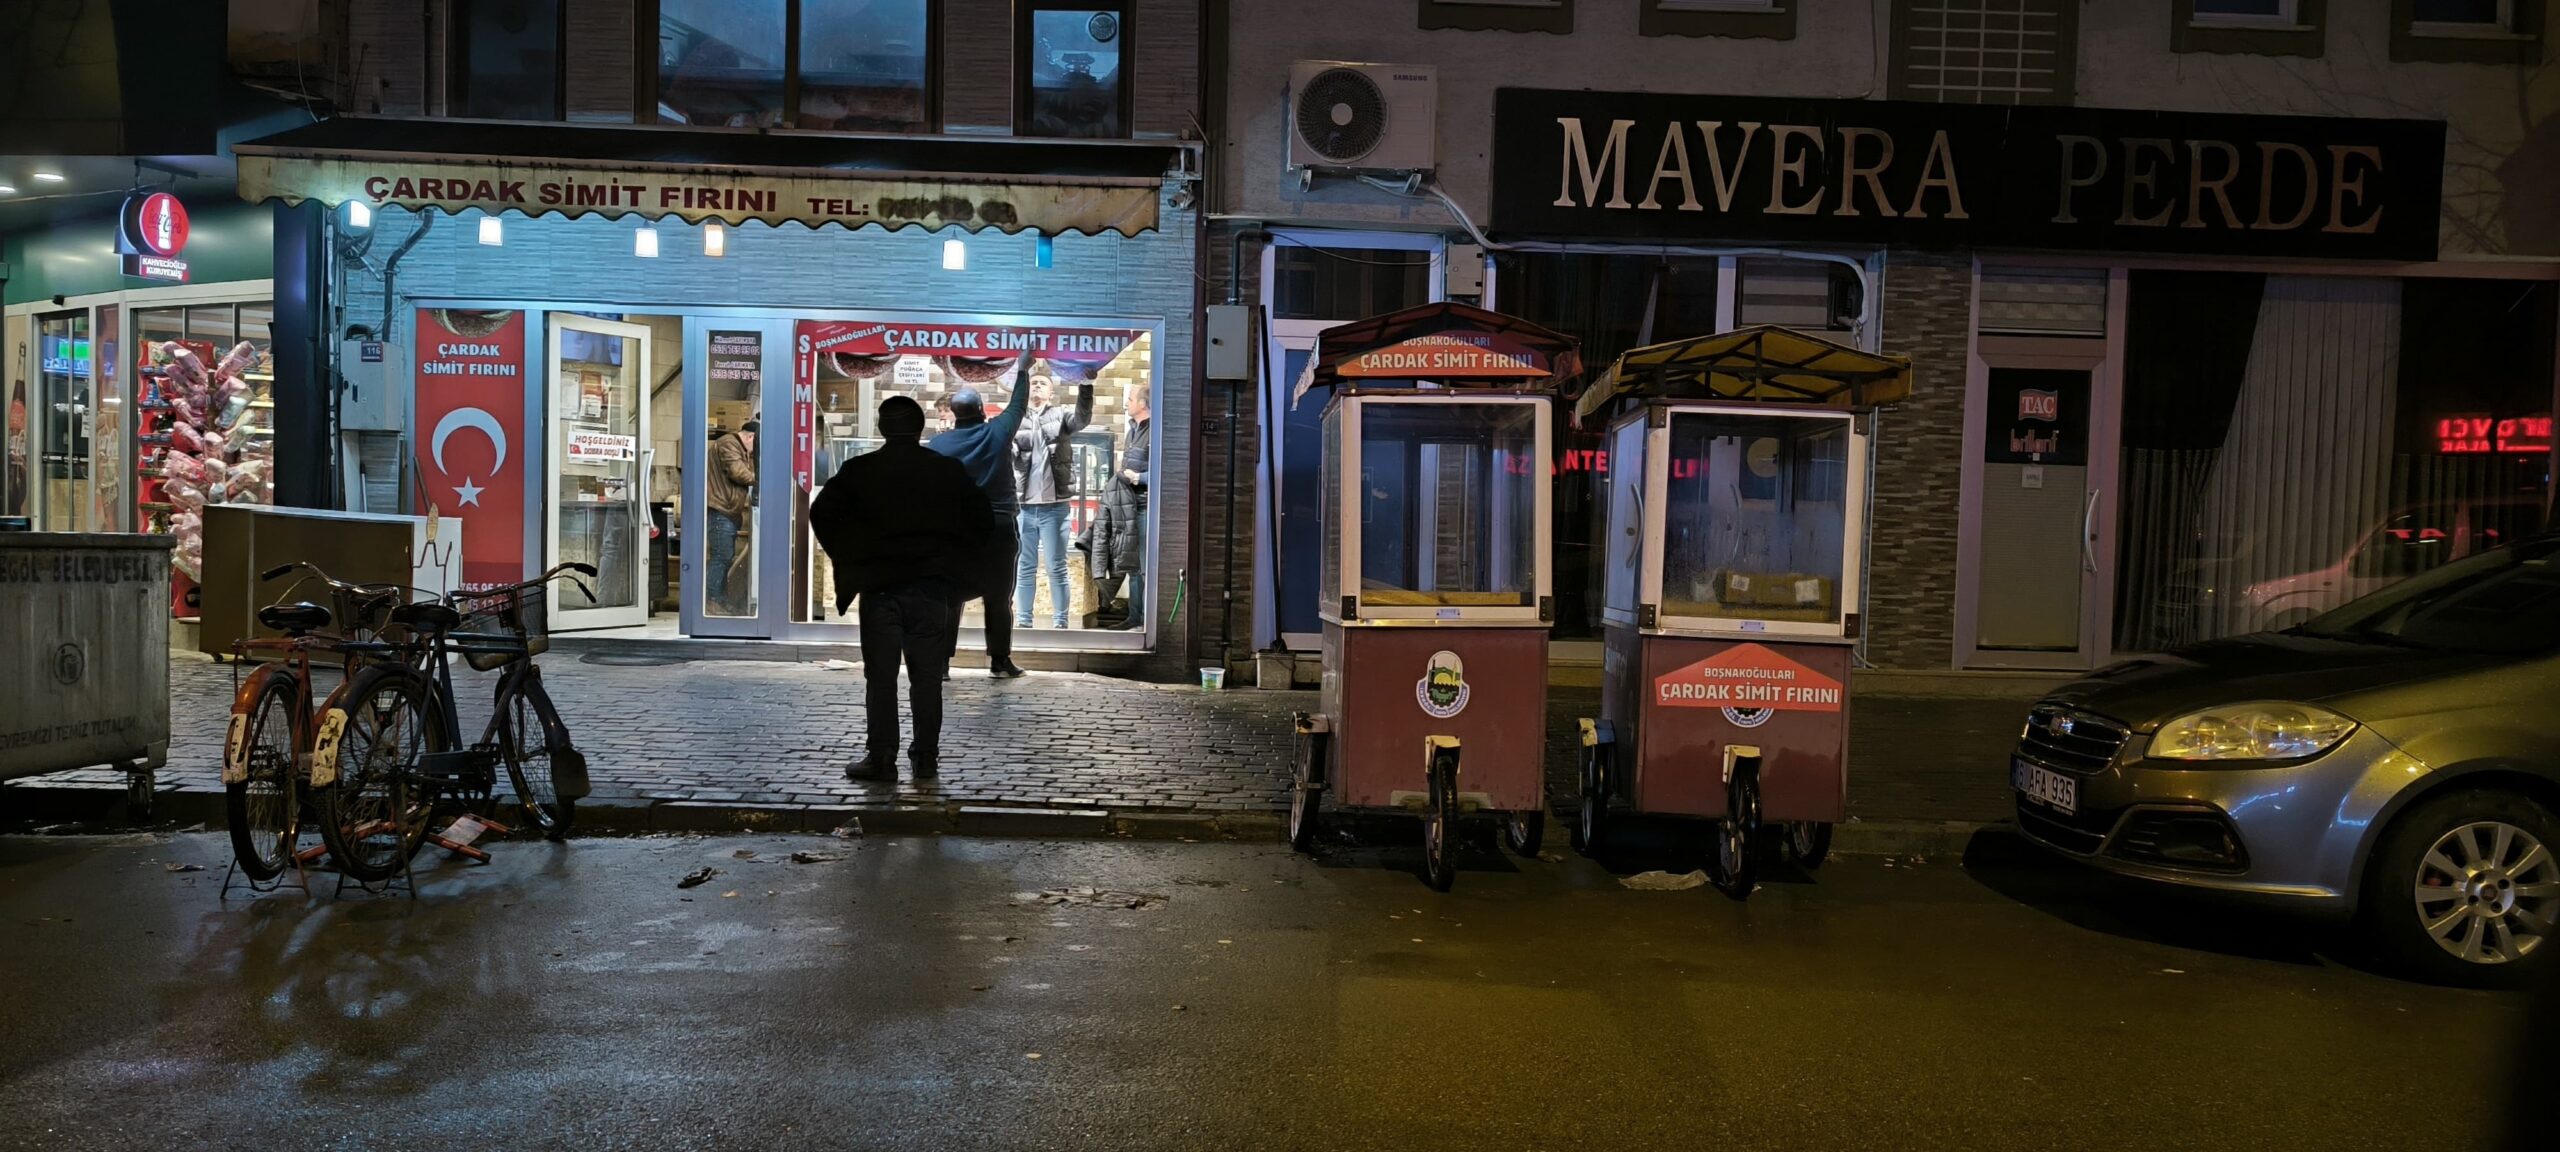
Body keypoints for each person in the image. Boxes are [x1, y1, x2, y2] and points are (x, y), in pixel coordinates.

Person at [809, 397, 989, 781]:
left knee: (881, 676)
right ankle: (925, 758)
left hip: (880, 590)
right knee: (926, 678)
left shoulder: (860, 470)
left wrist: (849, 555)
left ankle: (882, 758)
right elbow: (981, 520)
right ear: (921, 428)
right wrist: (954, 566)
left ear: (882, 429)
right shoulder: (946, 471)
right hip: (930, 590)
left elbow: (821, 513)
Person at [928, 350, 1038, 678]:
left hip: (955, 533)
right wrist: (1022, 370)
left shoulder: (938, 445)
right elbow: (1018, 405)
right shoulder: (996, 433)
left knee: (949, 598)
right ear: (980, 411)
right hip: (998, 528)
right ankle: (999, 662)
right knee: (998, 597)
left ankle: (942, 664)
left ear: (953, 414)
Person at [1011, 370, 1093, 630]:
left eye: (1041, 383)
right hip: (1024, 507)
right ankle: (1024, 622)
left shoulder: (1060, 415)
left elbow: (1082, 419)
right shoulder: (1015, 418)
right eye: (1032, 382)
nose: (1036, 386)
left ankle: (1061, 622)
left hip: (1055, 508)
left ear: (1051, 392)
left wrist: (1086, 385)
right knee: (1024, 566)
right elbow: (1008, 450)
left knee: (1056, 566)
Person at [1087, 384, 1150, 629]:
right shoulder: (1134, 429)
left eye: (1130, 399)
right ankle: (1135, 618)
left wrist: (1139, 478)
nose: (1126, 403)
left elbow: (1166, 469)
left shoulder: (1154, 430)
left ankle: (1144, 620)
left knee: (1143, 567)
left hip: (1144, 507)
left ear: (1142, 404)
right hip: (1130, 508)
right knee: (1134, 566)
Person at [705, 418, 757, 613]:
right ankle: (712, 601)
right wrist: (762, 478)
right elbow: (738, 473)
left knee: (725, 557)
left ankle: (719, 599)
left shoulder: (736, 447)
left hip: (728, 510)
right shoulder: (729, 444)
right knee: (721, 557)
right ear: (751, 437)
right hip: (721, 509)